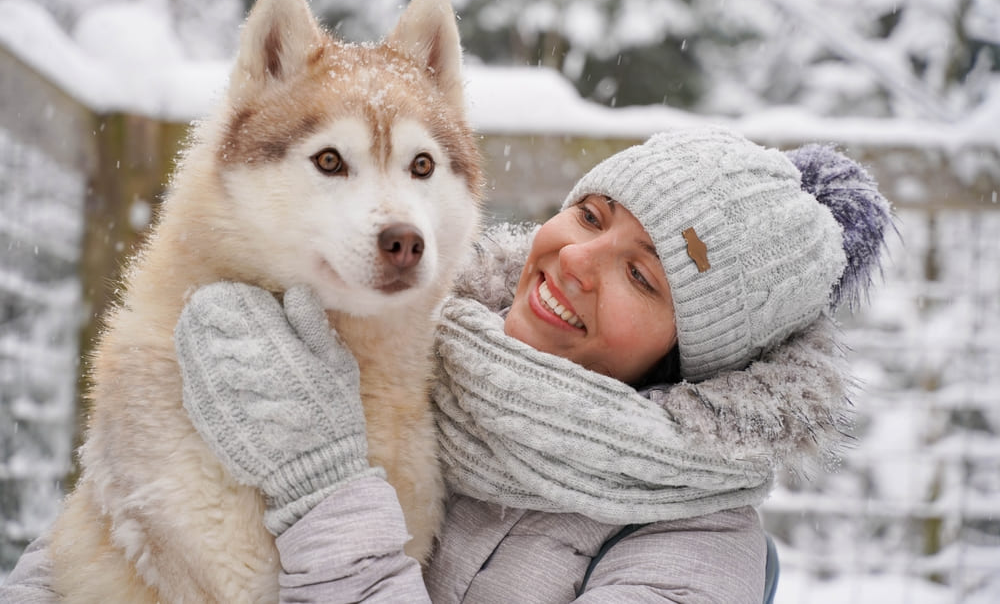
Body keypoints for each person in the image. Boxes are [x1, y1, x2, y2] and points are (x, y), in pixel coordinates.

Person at [1, 126, 891, 603]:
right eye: (590, 215)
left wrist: (321, 489)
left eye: (641, 275)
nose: (575, 260)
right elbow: (124, 528)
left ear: (698, 357)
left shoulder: (695, 552)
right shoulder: (401, 338)